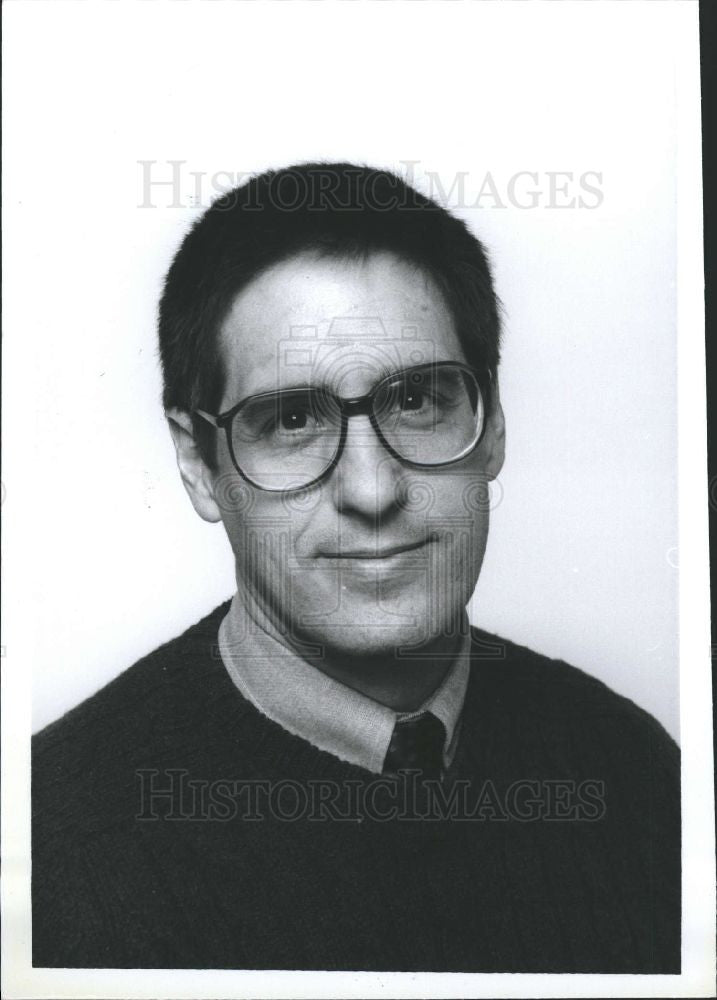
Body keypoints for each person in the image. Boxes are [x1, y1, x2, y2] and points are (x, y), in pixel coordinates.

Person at [32, 162, 680, 972]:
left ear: (494, 421)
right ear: (199, 465)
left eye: (416, 399)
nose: (372, 489)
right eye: (291, 419)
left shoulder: (634, 769)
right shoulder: (51, 847)